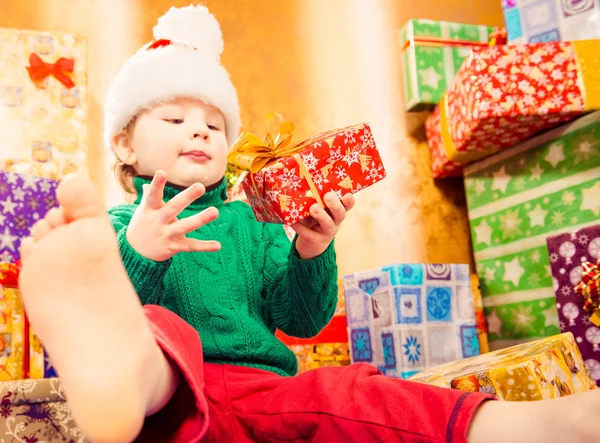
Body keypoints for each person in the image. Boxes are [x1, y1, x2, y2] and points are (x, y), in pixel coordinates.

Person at [17, 4, 600, 443]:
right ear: (124, 142)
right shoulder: (115, 225)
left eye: (214, 126)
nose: (199, 132)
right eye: (175, 117)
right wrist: (138, 250)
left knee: (353, 391)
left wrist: (311, 251)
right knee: (156, 333)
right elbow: (114, 292)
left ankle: (540, 426)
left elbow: (299, 317)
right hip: (166, 394)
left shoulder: (254, 219)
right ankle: (123, 376)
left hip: (261, 390)